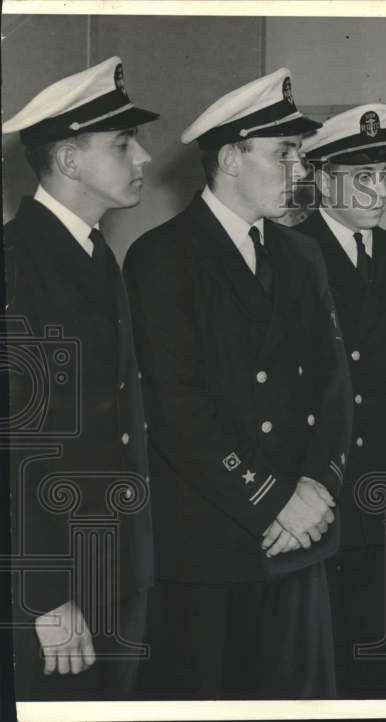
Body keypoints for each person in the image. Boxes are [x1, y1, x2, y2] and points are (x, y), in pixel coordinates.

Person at [123, 68, 352, 699]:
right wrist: (276, 500)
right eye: (284, 155)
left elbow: (334, 387)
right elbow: (178, 411)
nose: (299, 171)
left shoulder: (302, 255)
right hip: (213, 545)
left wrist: (316, 489)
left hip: (300, 536)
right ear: (229, 158)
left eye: (300, 157)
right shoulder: (161, 257)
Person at [2, 56, 158, 700]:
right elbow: (17, 442)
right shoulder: (19, 260)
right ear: (69, 161)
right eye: (123, 144)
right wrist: (45, 598)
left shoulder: (95, 253)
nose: (143, 156)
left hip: (109, 563)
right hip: (55, 581)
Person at [295, 103, 386, 699]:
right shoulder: (290, 251)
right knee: (319, 652)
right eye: (363, 178)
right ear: (324, 181)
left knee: (379, 642)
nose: (381, 191)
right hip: (319, 484)